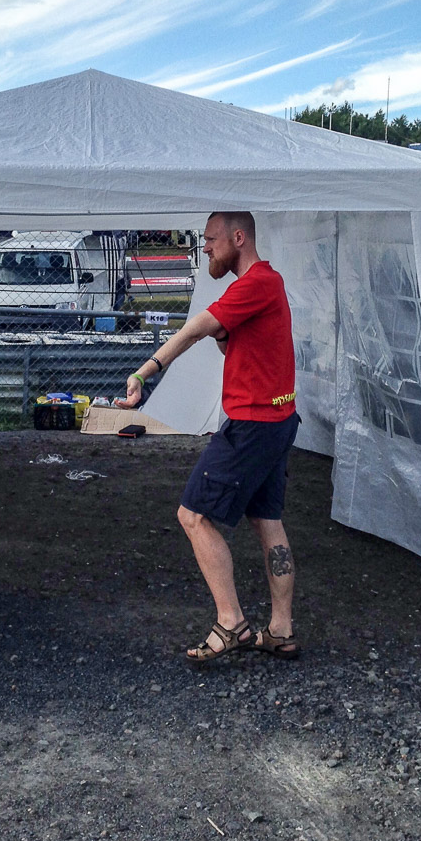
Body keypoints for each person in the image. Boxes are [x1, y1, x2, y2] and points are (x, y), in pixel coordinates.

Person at [116, 211, 301, 662]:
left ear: (239, 238)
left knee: (193, 515)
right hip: (278, 420)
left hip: (253, 425)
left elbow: (197, 328)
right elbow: (227, 340)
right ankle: (280, 630)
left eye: (212, 239)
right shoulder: (263, 286)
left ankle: (232, 622)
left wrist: (147, 369)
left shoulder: (255, 283)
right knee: (267, 520)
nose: (206, 248)